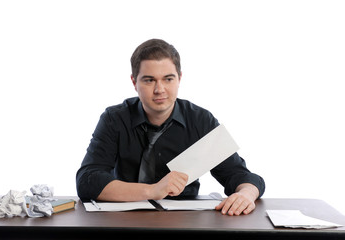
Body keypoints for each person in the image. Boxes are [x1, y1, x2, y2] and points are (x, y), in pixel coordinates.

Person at [76, 39, 265, 216]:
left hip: (183, 224)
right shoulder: (114, 119)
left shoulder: (200, 120)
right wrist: (152, 190)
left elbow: (238, 174)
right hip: (124, 222)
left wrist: (247, 194)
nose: (159, 89)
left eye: (168, 79)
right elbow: (87, 180)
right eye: (149, 80)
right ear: (134, 82)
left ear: (179, 78)